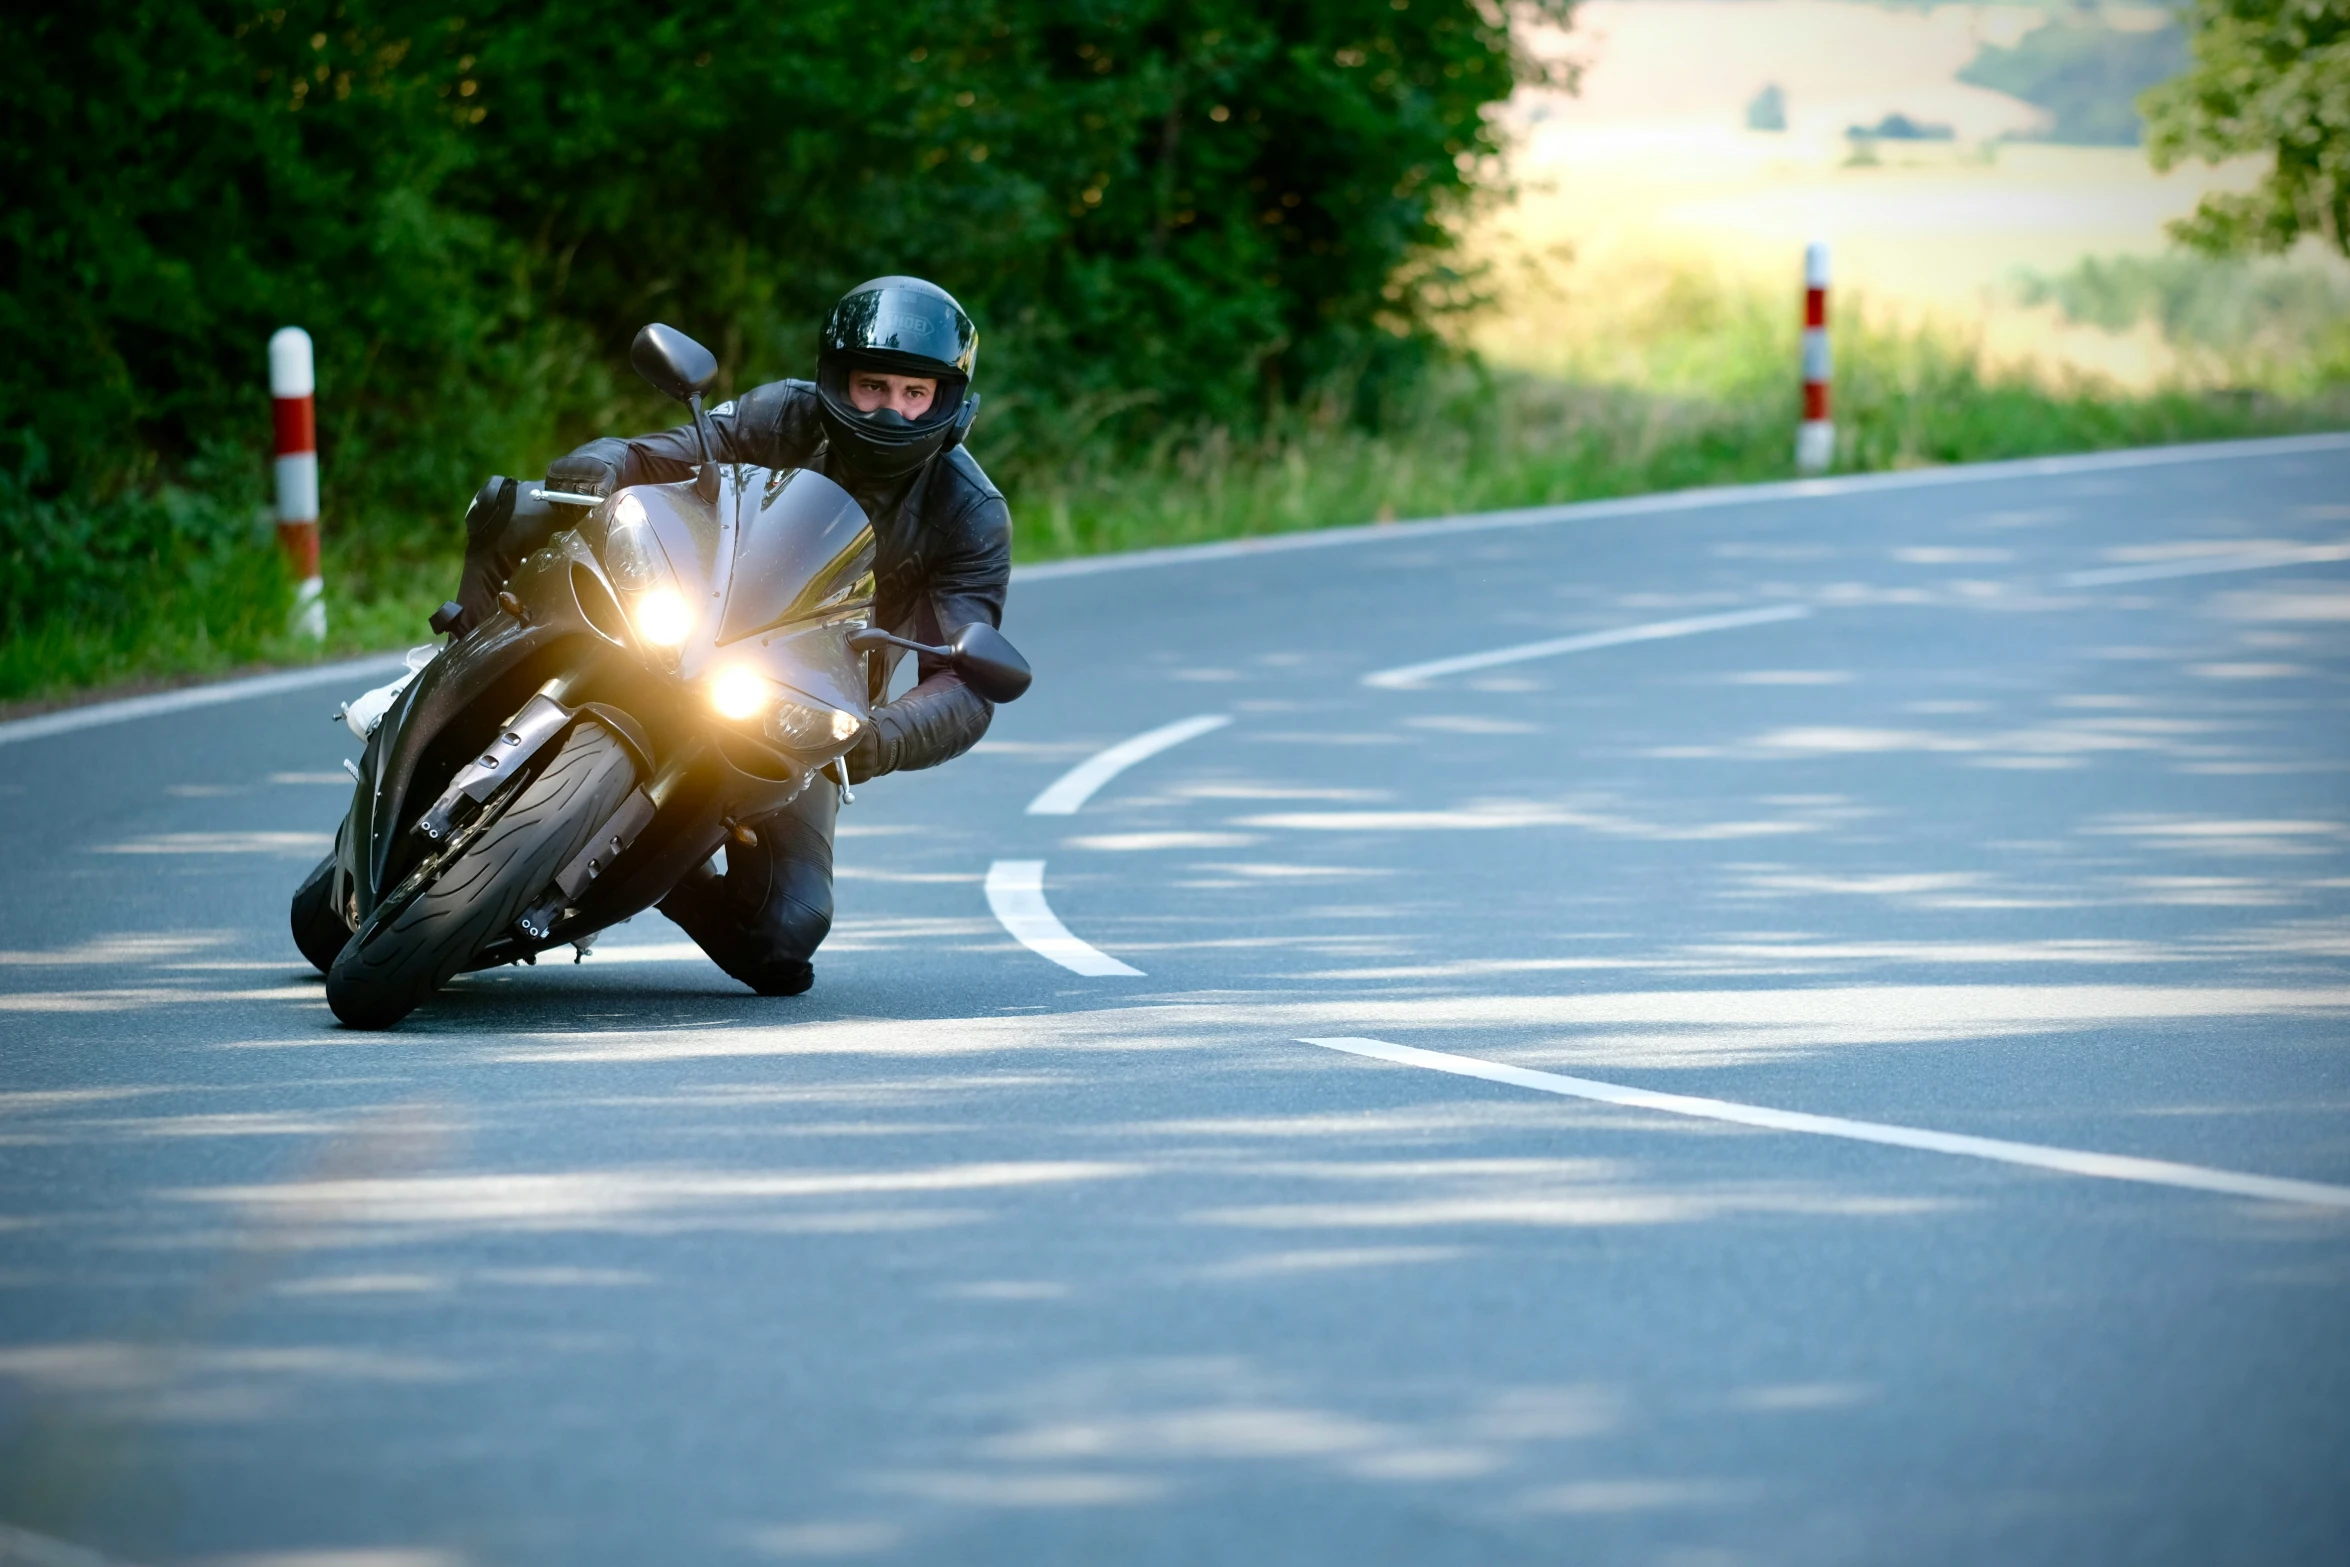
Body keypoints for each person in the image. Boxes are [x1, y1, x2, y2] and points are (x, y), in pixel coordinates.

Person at [441, 276, 1011, 996]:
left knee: (783, 936)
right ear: (837, 379)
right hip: (673, 615)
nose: (890, 410)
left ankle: (657, 864)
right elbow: (661, 455)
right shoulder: (784, 414)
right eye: (872, 386)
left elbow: (964, 678)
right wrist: (610, 457)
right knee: (516, 506)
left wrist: (875, 735)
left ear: (949, 401)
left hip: (797, 704)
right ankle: (458, 670)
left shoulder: (970, 513)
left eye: (913, 393)